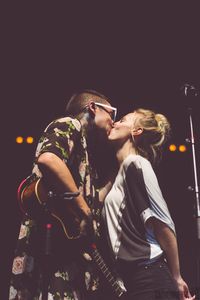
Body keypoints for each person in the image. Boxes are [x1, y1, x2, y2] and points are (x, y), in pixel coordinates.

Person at [9, 89, 117, 300]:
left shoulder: (85, 151)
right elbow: (49, 159)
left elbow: (95, 198)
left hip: (67, 254)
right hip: (50, 250)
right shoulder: (69, 124)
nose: (113, 120)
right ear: (93, 108)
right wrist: (84, 210)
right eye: (111, 113)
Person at [100, 108, 195, 300]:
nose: (115, 123)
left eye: (123, 120)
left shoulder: (136, 164)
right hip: (132, 280)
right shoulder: (119, 173)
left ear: (137, 131)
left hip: (149, 277)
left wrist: (176, 277)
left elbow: (163, 224)